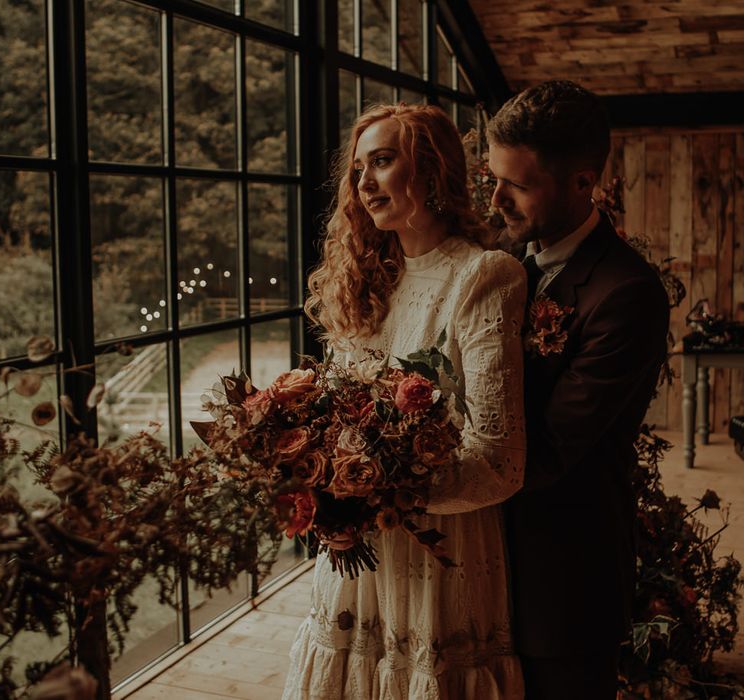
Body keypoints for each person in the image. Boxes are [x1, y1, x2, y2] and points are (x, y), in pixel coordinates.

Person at [281, 103, 526, 699]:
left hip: (440, 552)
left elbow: (499, 461)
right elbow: (336, 418)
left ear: (433, 169)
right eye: (358, 169)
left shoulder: (483, 276)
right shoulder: (362, 281)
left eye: (383, 161)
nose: (364, 182)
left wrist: (372, 495)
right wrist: (325, 492)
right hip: (356, 554)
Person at [488, 80, 670, 699]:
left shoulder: (626, 293)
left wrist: (424, 473)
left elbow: (548, 452)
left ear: (583, 182)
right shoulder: (502, 258)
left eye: (516, 185)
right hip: (482, 572)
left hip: (562, 584)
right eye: (494, 178)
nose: (496, 199)